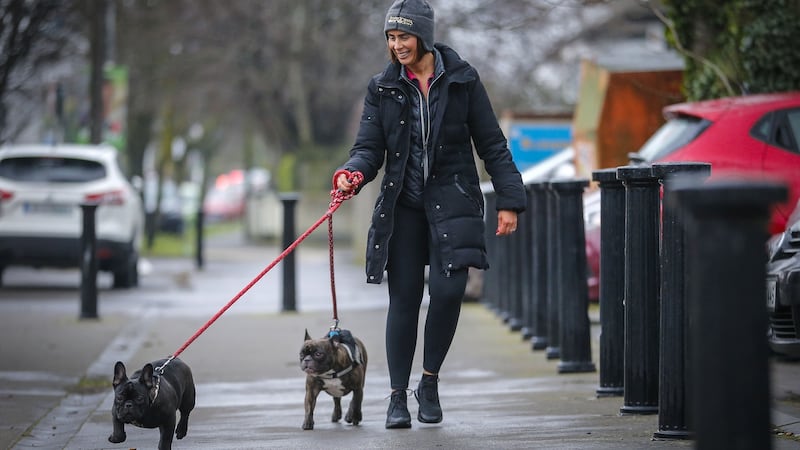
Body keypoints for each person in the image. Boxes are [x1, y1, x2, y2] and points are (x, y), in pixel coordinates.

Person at [333, 0, 526, 429]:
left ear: (424, 35)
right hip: (403, 208)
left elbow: (491, 143)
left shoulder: (462, 80)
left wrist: (510, 199)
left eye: (404, 36)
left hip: (454, 202)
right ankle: (398, 397)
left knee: (448, 292)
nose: (397, 45)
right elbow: (369, 148)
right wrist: (352, 174)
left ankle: (430, 381)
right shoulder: (381, 87)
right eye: (391, 37)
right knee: (403, 300)